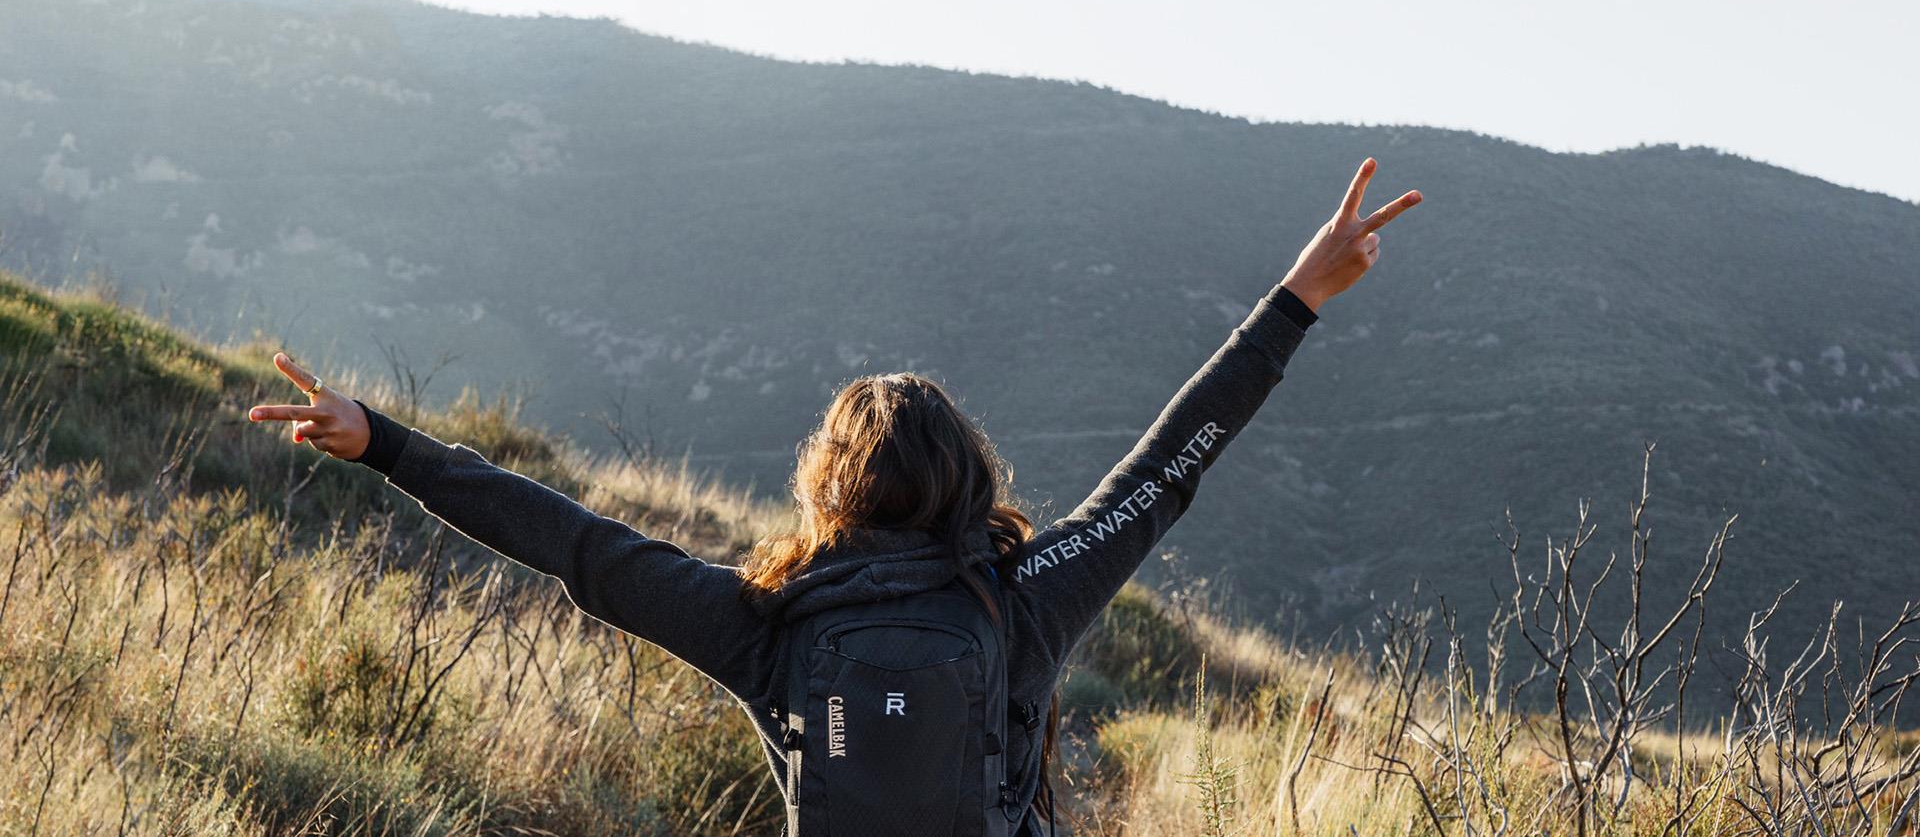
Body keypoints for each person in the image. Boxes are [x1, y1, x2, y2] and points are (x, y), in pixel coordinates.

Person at [247, 158, 1420, 835]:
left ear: (827, 486)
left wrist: (386, 444)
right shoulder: (1024, 603)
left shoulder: (766, 625)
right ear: (968, 476)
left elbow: (575, 544)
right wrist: (1295, 299)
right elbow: (1166, 469)